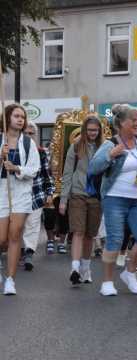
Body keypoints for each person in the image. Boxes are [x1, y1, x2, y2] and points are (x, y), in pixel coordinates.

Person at [88, 104, 137, 296]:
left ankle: (129, 273)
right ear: (122, 123)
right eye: (134, 120)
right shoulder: (110, 143)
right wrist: (110, 155)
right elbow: (93, 167)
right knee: (115, 239)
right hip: (115, 198)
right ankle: (107, 282)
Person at [0, 104, 40, 294]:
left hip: (21, 192)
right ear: (7, 117)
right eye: (16, 116)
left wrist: (16, 168)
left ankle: (10, 280)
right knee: (2, 239)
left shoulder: (28, 143)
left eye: (22, 117)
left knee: (15, 234)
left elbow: (35, 168)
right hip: (1, 191)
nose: (20, 119)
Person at [59, 115, 104, 285]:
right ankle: (75, 268)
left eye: (95, 130)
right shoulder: (76, 146)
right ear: (84, 130)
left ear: (99, 131)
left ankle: (86, 268)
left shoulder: (105, 147)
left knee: (90, 235)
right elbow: (67, 173)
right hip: (77, 194)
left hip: (96, 196)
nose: (92, 133)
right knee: (77, 231)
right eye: (89, 129)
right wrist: (63, 199)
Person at [22, 122, 55, 271]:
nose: (28, 136)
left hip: (36, 193)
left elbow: (47, 174)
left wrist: (50, 192)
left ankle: (29, 252)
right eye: (26, 133)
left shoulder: (42, 152)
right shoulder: (14, 150)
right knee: (18, 226)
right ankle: (20, 249)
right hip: (18, 194)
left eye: (31, 133)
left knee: (33, 225)